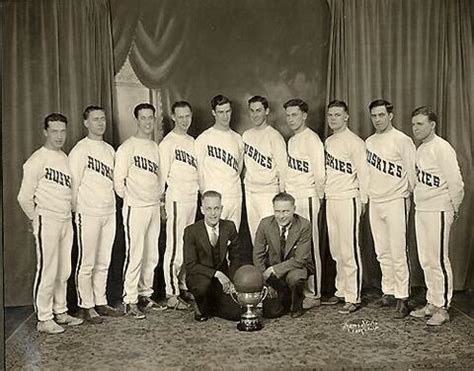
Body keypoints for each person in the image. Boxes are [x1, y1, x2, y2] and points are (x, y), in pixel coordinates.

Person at [17, 113, 84, 334]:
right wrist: (35, 218)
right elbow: (24, 197)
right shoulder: (37, 159)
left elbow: (69, 192)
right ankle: (43, 318)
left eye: (62, 131)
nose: (59, 136)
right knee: (48, 268)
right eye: (54, 131)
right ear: (45, 131)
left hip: (65, 219)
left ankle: (60, 310)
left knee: (63, 269)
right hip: (48, 218)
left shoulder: (64, 158)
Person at [409, 106, 464, 326]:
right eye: (413, 124)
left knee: (439, 259)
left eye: (420, 124)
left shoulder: (442, 148)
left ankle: (442, 307)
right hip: (422, 209)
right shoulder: (421, 149)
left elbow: (456, 182)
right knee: (426, 258)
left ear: (432, 125)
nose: (415, 128)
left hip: (439, 208)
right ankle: (432, 301)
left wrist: (454, 206)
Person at [69, 106, 123, 324]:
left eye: (102, 119)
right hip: (88, 212)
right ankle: (86, 305)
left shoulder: (110, 150)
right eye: (95, 119)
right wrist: (76, 210)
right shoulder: (80, 150)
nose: (100, 123)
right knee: (87, 261)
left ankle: (100, 301)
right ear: (86, 123)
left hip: (108, 211)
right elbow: (72, 185)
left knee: (104, 260)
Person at [366, 99, 416, 318]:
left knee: (397, 250)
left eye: (381, 115)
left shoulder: (402, 140)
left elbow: (412, 173)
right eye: (374, 116)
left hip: (396, 199)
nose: (377, 119)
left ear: (390, 116)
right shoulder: (369, 142)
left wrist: (411, 196)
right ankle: (388, 291)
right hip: (376, 200)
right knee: (382, 250)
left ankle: (403, 297)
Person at [114, 103, 165, 319]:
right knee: (135, 254)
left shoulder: (155, 147)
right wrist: (133, 198)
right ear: (137, 120)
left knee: (151, 254)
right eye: (143, 118)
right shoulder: (127, 147)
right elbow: (118, 181)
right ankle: (130, 299)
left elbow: (160, 178)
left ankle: (145, 294)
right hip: (135, 207)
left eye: (150, 118)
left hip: (153, 205)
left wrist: (156, 199)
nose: (147, 122)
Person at [323, 100, 368, 314]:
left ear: (346, 116)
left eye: (337, 115)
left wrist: (364, 200)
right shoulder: (329, 142)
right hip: (332, 198)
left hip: (349, 198)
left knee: (349, 249)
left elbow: (363, 174)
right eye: (330, 115)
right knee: (336, 249)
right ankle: (341, 290)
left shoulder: (355, 142)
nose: (333, 118)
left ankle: (353, 296)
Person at [284, 98, 325, 309]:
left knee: (311, 246)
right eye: (288, 115)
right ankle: (301, 290)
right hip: (294, 198)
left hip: (308, 196)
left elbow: (320, 174)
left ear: (304, 115)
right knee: (296, 247)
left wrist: (318, 196)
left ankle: (315, 293)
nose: (291, 119)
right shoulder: (292, 140)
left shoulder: (312, 139)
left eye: (295, 115)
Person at [159, 101, 199, 310]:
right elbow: (161, 177)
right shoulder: (168, 143)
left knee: (187, 245)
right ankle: (171, 292)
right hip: (176, 199)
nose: (185, 120)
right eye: (180, 116)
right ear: (173, 117)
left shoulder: (193, 141)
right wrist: (162, 203)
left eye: (187, 116)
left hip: (192, 198)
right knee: (174, 247)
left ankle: (182, 285)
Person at [183, 191, 242, 322]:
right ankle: (201, 304)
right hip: (200, 277)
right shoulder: (191, 231)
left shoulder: (229, 226)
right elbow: (191, 265)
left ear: (221, 209)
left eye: (216, 208)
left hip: (222, 279)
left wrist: (231, 280)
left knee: (236, 314)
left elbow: (236, 257)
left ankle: (215, 303)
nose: (213, 213)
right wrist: (217, 274)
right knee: (203, 292)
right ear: (202, 210)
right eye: (208, 209)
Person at [253, 192, 312, 319]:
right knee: (271, 313)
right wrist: (264, 282)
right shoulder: (265, 224)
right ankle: (284, 297)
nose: (281, 216)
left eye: (285, 211)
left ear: (294, 210)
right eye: (277, 211)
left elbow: (300, 260)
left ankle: (296, 305)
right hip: (273, 273)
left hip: (294, 268)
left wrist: (274, 269)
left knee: (296, 278)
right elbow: (258, 254)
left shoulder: (304, 225)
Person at [195, 95, 244, 230]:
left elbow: (238, 168)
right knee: (214, 241)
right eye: (221, 112)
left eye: (227, 111)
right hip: (214, 197)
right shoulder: (204, 138)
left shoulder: (237, 138)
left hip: (234, 195)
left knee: (232, 239)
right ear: (213, 113)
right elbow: (199, 170)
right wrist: (205, 195)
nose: (225, 116)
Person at [243, 95, 287, 244]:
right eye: (252, 111)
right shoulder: (246, 135)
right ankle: (259, 267)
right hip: (250, 191)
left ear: (266, 111)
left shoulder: (275, 136)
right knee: (255, 235)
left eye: (259, 110)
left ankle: (273, 267)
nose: (255, 114)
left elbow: (283, 169)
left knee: (271, 236)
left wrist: (280, 195)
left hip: (269, 192)